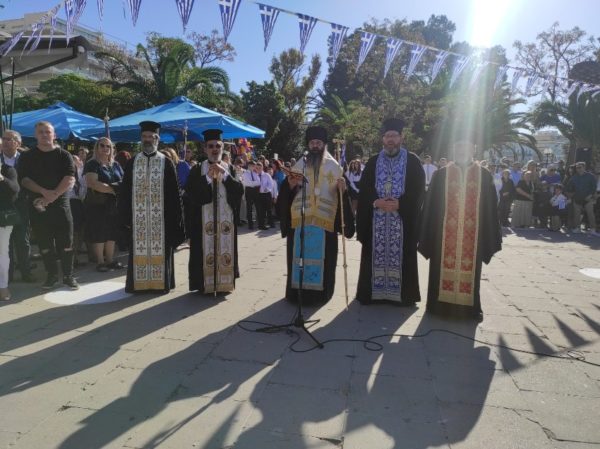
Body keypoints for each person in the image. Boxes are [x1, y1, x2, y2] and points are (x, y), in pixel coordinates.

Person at [419, 141, 501, 319]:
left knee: (471, 272)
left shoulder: (484, 175)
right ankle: (437, 307)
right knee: (440, 270)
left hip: (473, 237)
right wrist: (427, 233)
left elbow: (491, 208)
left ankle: (469, 310)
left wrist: (489, 235)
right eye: (459, 147)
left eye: (466, 147)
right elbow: (430, 206)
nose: (462, 150)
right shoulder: (441, 174)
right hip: (443, 237)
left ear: (473, 149)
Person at [277, 125, 354, 304]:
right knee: (299, 258)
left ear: (324, 144)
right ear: (308, 144)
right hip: (301, 222)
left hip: (325, 224)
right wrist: (289, 185)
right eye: (312, 142)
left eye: (318, 142)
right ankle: (297, 294)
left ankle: (321, 295)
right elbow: (286, 193)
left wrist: (343, 190)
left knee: (324, 261)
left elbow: (345, 195)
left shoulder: (335, 167)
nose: (315, 146)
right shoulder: (300, 165)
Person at [355, 118, 424, 305]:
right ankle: (372, 294)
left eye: (394, 136)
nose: (390, 139)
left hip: (402, 222)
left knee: (404, 255)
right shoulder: (373, 162)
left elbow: (419, 191)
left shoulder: (412, 161)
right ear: (383, 139)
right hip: (376, 221)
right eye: (387, 136)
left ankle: (403, 296)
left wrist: (401, 204)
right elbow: (364, 189)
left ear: (401, 138)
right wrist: (375, 201)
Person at [119, 121, 185, 293]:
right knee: (138, 249)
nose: (148, 139)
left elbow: (174, 193)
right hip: (138, 218)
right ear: (141, 138)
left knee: (161, 250)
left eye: (151, 136)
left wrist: (175, 218)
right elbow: (125, 191)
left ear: (157, 139)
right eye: (144, 136)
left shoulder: (166, 162)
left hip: (161, 219)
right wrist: (125, 216)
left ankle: (160, 284)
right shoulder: (133, 162)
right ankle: (138, 284)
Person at [17, 121, 79, 290]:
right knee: (45, 244)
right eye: (41, 132)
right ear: (35, 135)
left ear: (54, 135)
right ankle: (51, 275)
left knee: (66, 242)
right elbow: (24, 180)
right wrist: (44, 192)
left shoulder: (64, 155)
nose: (44, 135)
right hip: (37, 205)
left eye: (48, 132)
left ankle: (68, 276)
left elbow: (70, 178)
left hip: (61, 206)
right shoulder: (27, 156)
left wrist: (53, 195)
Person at [184, 129, 244, 294]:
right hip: (202, 223)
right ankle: (204, 284)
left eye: (218, 146)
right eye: (211, 146)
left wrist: (225, 176)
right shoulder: (197, 169)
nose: (215, 149)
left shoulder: (229, 168)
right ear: (205, 149)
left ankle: (224, 283)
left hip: (225, 222)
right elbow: (191, 194)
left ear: (222, 147)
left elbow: (239, 192)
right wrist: (208, 178)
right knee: (202, 253)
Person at [84, 137, 125, 272]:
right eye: (102, 145)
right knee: (99, 233)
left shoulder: (116, 164)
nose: (105, 148)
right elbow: (93, 183)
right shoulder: (92, 164)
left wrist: (115, 189)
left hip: (114, 204)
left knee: (112, 233)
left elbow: (124, 181)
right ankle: (100, 262)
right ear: (97, 147)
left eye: (108, 146)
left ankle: (110, 260)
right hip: (97, 204)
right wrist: (114, 190)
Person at [1, 129, 35, 283]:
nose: (5, 142)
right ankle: (7, 275)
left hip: (22, 205)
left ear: (18, 143)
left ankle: (26, 272)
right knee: (5, 243)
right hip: (2, 206)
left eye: (9, 139)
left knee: (22, 241)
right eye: (4, 139)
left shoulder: (26, 159)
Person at [0, 158, 19, 300]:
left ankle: (3, 286)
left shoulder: (8, 170)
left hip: (3, 219)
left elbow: (15, 190)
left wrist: (2, 178)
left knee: (2, 253)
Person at [566, 162, 598, 235]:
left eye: (580, 167)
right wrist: (571, 195)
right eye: (577, 168)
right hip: (577, 199)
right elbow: (569, 187)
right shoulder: (574, 177)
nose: (578, 169)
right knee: (577, 214)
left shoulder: (590, 176)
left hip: (588, 199)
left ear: (584, 167)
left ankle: (593, 229)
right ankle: (577, 228)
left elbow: (594, 187)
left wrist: (590, 195)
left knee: (590, 214)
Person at [241, 160, 260, 230]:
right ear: (249, 166)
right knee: (249, 208)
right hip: (249, 191)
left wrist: (253, 182)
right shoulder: (245, 174)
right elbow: (248, 183)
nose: (255, 167)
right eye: (254, 166)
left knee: (257, 206)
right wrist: (254, 183)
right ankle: (250, 224)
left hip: (255, 191)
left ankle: (259, 223)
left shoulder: (255, 173)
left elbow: (259, 182)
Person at [256, 161, 275, 230]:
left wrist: (267, 189)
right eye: (257, 168)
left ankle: (271, 223)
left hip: (267, 194)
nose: (258, 169)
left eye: (260, 168)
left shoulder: (266, 175)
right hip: (259, 195)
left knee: (269, 210)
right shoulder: (255, 175)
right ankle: (261, 225)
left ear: (262, 168)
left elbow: (271, 184)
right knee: (261, 211)